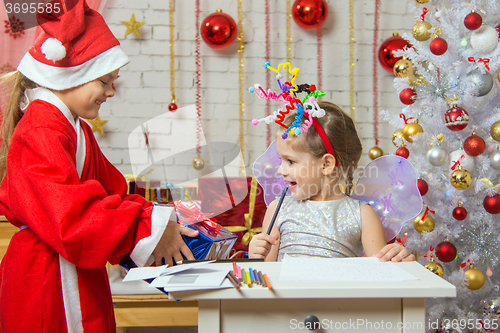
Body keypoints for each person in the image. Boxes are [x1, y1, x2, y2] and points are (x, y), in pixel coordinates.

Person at [0, 1, 197, 332]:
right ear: (69, 76)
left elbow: (114, 193)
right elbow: (69, 215)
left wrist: (160, 222)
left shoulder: (75, 128)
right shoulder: (40, 127)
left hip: (74, 270)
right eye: (104, 81)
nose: (111, 91)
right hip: (46, 278)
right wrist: (146, 229)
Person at [249, 100, 416, 263]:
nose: (281, 170)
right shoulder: (278, 210)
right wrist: (257, 256)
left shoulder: (362, 215)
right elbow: (268, 273)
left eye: (290, 161)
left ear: (326, 164)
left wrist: (397, 259)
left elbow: (382, 276)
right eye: (281, 160)